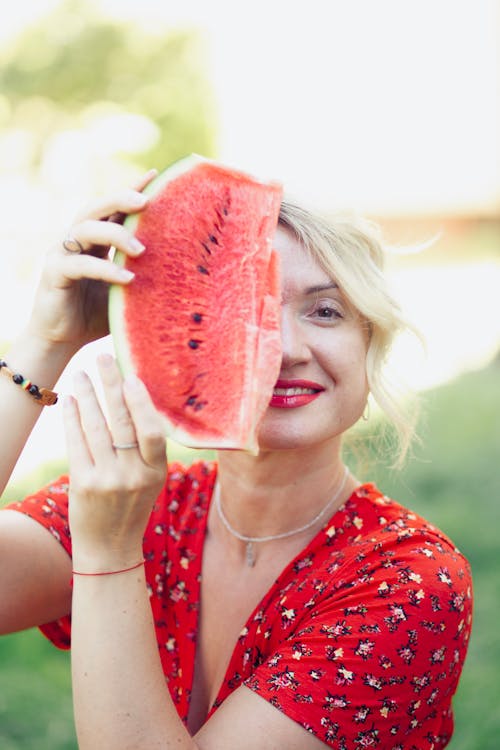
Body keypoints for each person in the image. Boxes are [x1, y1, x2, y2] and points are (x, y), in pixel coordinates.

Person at [0, 168, 472, 750]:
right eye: (245, 311)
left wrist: (110, 556)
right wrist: (46, 342)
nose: (288, 349)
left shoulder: (412, 583)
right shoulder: (152, 508)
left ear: (370, 344)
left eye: (325, 312)